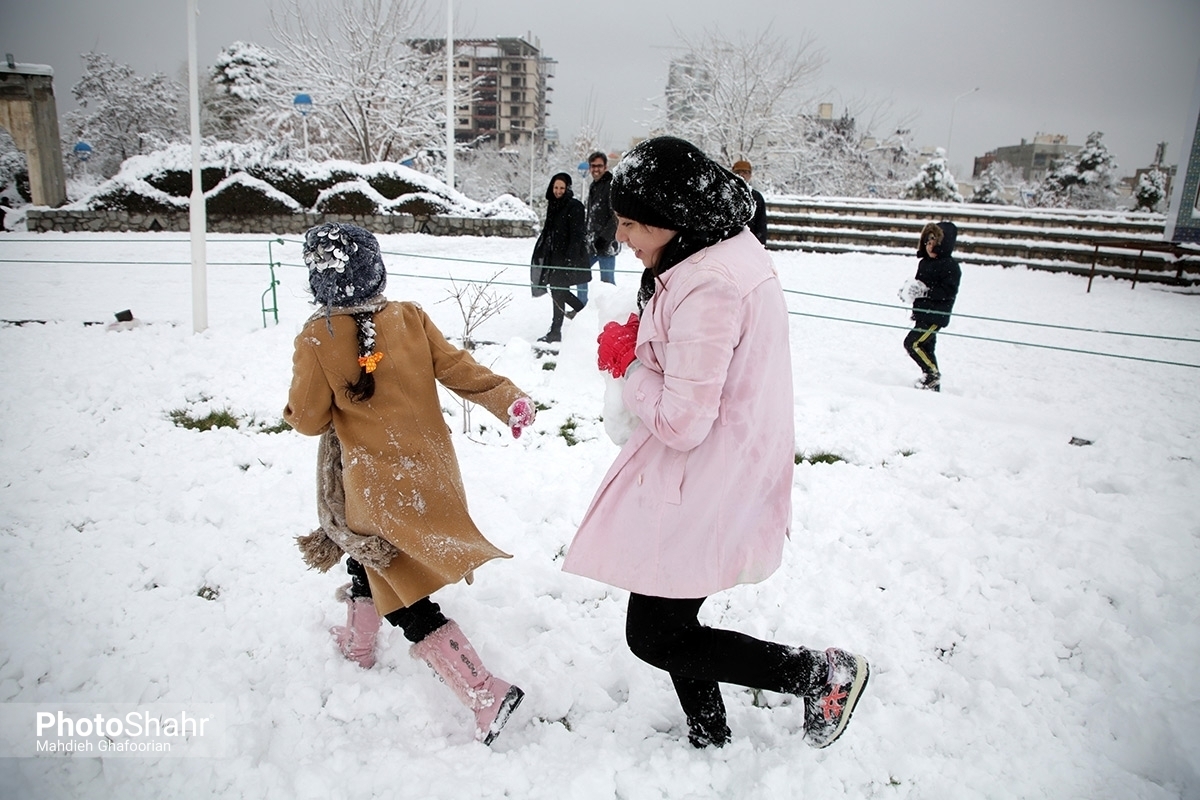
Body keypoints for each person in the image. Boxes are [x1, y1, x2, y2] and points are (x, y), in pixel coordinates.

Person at [562, 137, 869, 750]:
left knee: (655, 633)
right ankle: (709, 730)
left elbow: (682, 420)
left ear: (668, 215)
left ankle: (820, 675)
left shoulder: (710, 283)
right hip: (723, 462)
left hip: (710, 469)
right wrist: (645, 338)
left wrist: (631, 369)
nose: (621, 238)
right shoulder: (719, 246)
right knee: (669, 610)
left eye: (628, 224)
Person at [284, 222, 537, 746]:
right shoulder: (410, 317)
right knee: (366, 555)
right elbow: (459, 368)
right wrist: (505, 396)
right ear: (376, 270)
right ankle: (358, 643)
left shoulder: (317, 337)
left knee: (400, 592)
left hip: (374, 488)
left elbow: (308, 419)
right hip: (429, 472)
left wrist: (300, 408)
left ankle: (485, 690)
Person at [903, 221, 962, 392]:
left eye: (933, 243)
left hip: (936, 316)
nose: (929, 247)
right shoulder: (924, 263)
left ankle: (932, 375)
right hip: (922, 313)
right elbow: (919, 285)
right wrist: (910, 291)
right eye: (927, 243)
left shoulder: (950, 266)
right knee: (927, 348)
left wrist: (926, 292)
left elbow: (948, 291)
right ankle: (931, 383)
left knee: (912, 344)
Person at [531, 172, 590, 343]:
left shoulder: (575, 207)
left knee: (559, 292)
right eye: (556, 187)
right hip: (553, 257)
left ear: (567, 188)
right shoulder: (553, 204)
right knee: (559, 291)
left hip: (567, 259)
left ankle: (557, 330)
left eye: (561, 188)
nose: (558, 191)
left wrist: (569, 261)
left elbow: (577, 235)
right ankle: (580, 318)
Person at [580, 150, 620, 304]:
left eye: (599, 166)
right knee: (581, 273)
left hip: (607, 243)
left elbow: (616, 216)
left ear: (605, 167)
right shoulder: (593, 186)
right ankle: (581, 306)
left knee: (607, 281)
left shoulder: (611, 185)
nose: (596, 169)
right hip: (591, 242)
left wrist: (605, 238)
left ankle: (611, 311)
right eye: (593, 166)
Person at [732, 159, 768, 245]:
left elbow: (761, 225)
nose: (741, 175)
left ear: (750, 175)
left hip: (749, 242)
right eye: (738, 172)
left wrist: (759, 244)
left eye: (745, 172)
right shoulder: (726, 194)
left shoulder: (756, 197)